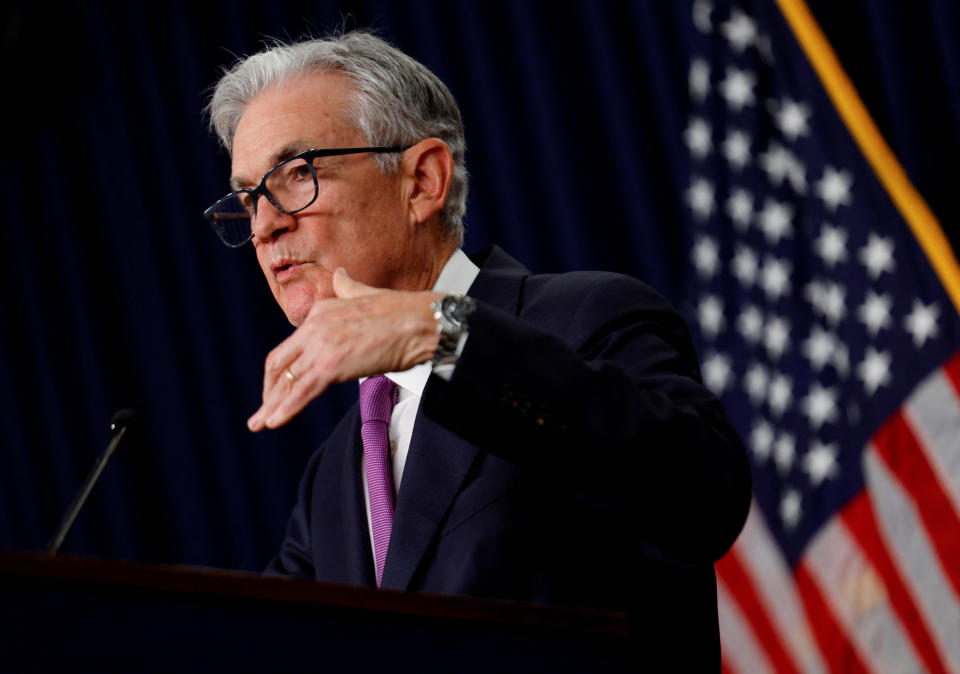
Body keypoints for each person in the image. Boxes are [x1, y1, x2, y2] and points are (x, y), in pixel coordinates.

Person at [205, 31, 751, 666]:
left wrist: (445, 336)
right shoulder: (331, 480)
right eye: (247, 199)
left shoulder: (588, 316)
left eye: (296, 174)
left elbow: (701, 497)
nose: (265, 224)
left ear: (423, 181)